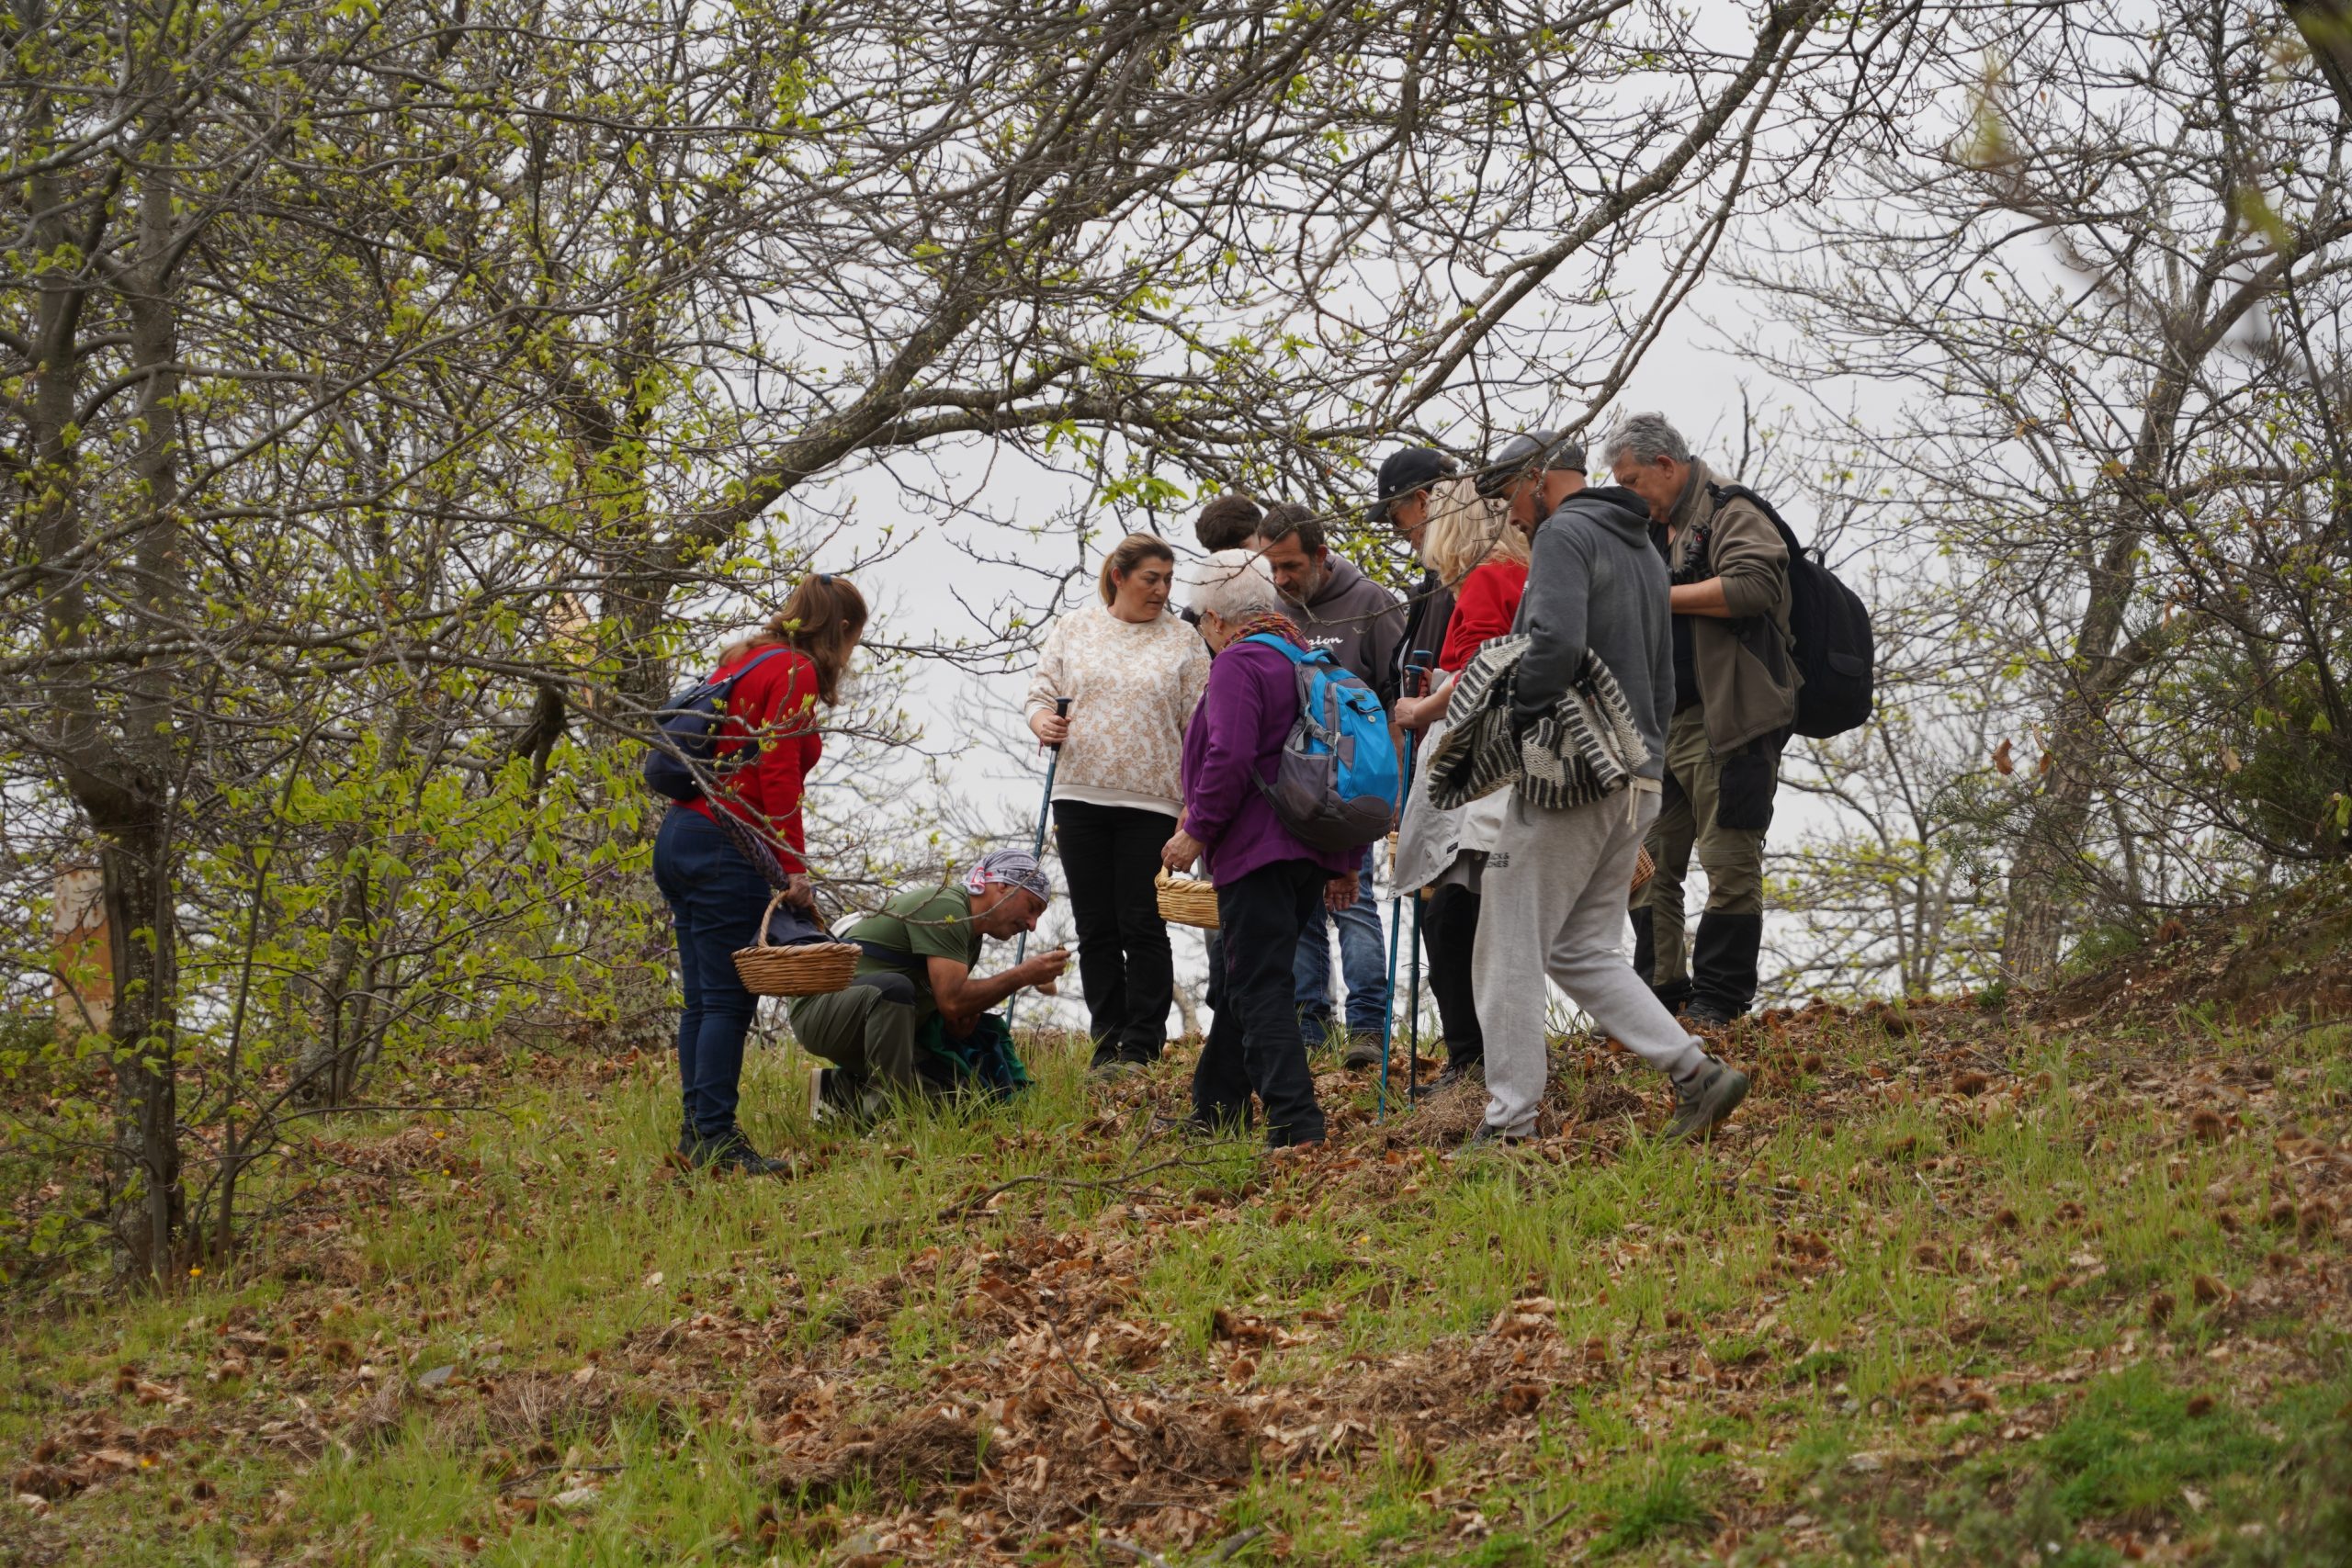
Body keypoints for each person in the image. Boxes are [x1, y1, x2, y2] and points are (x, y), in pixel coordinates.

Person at [1466, 460, 1750, 1145]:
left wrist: (1512, 717)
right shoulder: (1642, 542)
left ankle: (1508, 1124)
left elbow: (1555, 645)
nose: (1513, 515)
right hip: (1637, 776)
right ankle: (1697, 1073)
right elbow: (1660, 675)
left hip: (1570, 770)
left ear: (1538, 478)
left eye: (1511, 495)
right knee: (1579, 947)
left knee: (1508, 939)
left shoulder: (1566, 533)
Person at [652, 573, 867, 1173]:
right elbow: (775, 774)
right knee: (725, 1002)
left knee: (702, 1000)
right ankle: (716, 1139)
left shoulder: (740, 658)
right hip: (728, 843)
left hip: (680, 834)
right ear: (841, 628)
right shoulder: (794, 670)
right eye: (854, 637)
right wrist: (790, 869)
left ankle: (699, 1134)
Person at [1605, 413, 1798, 1028]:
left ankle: (1720, 1001)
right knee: (1649, 865)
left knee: (1729, 860)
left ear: (1666, 464)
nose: (1628, 494)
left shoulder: (1729, 511)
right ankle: (1658, 995)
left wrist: (1656, 594)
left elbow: (1756, 582)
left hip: (1731, 722)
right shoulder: (1650, 532)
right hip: (1663, 728)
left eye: (1633, 480)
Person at [1160, 550, 1358, 1148]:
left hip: (1256, 848)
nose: (1203, 637)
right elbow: (1341, 766)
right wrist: (1343, 860)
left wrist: (1197, 829)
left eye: (1199, 625)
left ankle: (1296, 1121)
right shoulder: (1307, 659)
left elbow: (1231, 754)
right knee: (1242, 980)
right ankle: (1215, 1108)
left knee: (1259, 985)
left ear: (1216, 618)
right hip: (1307, 849)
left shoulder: (1241, 662)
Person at [1025, 535, 1211, 1076]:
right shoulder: (1075, 628)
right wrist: (1045, 723)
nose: (1162, 590)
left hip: (1153, 800)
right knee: (1095, 925)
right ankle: (1106, 1041)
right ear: (1119, 577)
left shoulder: (1183, 640)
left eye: (1169, 580)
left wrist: (1193, 806)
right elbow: (1040, 695)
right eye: (1151, 578)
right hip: (1079, 794)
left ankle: (1143, 1044)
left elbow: (1199, 728)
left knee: (1142, 921)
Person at [1250, 502, 1406, 1067]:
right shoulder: (1269, 607)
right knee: (1301, 908)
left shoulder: (1371, 603)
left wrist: (1392, 787)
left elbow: (1398, 699)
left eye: (1291, 566)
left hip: (1352, 782)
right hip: (1289, 788)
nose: (1283, 579)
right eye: (1273, 568)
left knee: (1354, 900)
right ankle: (1310, 1026)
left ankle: (1368, 1026)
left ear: (1320, 554)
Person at [1391, 475, 1527, 1086]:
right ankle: (1477, 1051)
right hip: (1500, 762)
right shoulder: (1517, 576)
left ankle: (1469, 1054)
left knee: (1450, 915)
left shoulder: (1489, 580)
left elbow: (1484, 665)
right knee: (1467, 914)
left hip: (1481, 767)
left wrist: (1423, 709)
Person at [787, 850, 1069, 1120]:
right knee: (893, 989)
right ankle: (885, 1119)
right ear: (1002, 886)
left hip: (875, 1024)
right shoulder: (949, 908)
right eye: (1032, 908)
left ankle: (837, 1092)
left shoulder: (971, 937)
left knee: (966, 1100)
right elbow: (952, 999)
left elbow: (946, 1006)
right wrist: (1023, 975)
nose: (1032, 925)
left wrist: (955, 1025)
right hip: (820, 1010)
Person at [1374, 447, 1459, 709]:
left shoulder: (1464, 578)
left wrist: (1423, 712)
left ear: (1423, 503)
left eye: (1396, 520)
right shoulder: (1437, 582)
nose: (1399, 533)